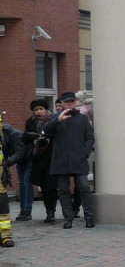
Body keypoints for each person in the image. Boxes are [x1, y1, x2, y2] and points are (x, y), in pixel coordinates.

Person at [44, 92, 95, 229]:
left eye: (72, 101)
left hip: (79, 159)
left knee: (84, 187)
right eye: (67, 102)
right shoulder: (55, 117)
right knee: (63, 190)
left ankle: (89, 217)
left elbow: (90, 138)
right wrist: (58, 120)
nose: (70, 103)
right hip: (61, 160)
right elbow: (45, 130)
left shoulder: (83, 119)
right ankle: (68, 218)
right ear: (62, 103)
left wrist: (85, 152)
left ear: (76, 102)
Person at [15, 99, 48, 220]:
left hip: (37, 156)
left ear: (45, 110)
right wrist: (29, 135)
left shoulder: (49, 121)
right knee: (22, 183)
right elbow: (24, 138)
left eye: (41, 109)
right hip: (26, 155)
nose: (39, 112)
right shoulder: (29, 122)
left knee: (27, 182)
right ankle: (23, 209)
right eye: (36, 110)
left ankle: (27, 210)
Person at [0, 106, 28, 247]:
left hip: (0, 179)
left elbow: (20, 150)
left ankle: (5, 235)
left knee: (3, 209)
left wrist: (7, 163)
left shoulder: (9, 133)